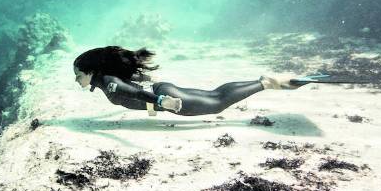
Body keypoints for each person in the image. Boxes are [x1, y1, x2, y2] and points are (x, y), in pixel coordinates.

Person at [73, 46, 306, 117]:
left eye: (78, 74)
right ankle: (264, 81)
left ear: (91, 71)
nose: (76, 80)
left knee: (217, 103)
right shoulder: (104, 81)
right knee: (214, 95)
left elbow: (133, 94)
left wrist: (162, 101)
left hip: (164, 96)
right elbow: (132, 93)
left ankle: (266, 83)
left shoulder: (108, 81)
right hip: (161, 91)